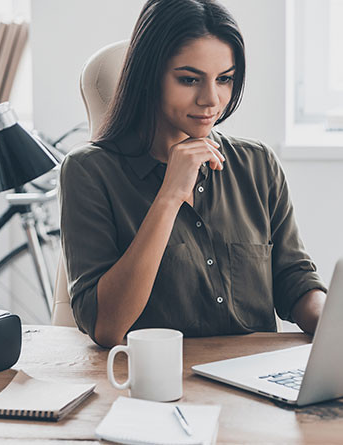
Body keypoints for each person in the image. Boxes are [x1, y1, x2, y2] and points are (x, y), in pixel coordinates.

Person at [60, 0, 326, 348]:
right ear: (148, 75)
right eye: (189, 79)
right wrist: (168, 197)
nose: (211, 100)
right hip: (151, 384)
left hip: (251, 382)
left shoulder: (257, 163)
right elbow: (106, 327)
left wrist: (337, 322)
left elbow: (294, 280)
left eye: (225, 79)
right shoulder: (88, 172)